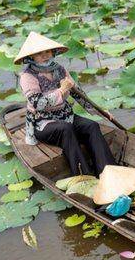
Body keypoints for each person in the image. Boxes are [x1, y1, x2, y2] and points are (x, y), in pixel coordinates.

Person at [15, 32, 115, 176]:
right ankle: (84, 177)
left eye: (47, 51)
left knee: (92, 126)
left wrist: (101, 112)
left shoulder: (60, 69)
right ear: (31, 57)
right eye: (39, 53)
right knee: (66, 129)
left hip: (65, 116)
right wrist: (61, 91)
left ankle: (108, 172)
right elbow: (38, 104)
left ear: (53, 52)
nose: (45, 55)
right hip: (42, 123)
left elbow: (78, 94)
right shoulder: (27, 76)